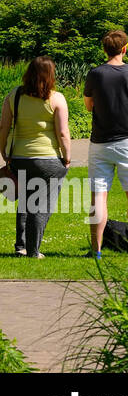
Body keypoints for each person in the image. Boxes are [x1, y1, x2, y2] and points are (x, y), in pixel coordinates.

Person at [83, 30, 128, 259]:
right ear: (125, 48)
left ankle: (97, 250)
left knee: (99, 196)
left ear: (105, 49)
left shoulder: (96, 74)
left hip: (101, 142)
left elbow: (88, 105)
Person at [0, 57, 72, 258]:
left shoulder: (14, 95)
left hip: (19, 157)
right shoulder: (57, 99)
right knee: (41, 206)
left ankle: (21, 246)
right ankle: (33, 251)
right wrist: (67, 158)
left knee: (24, 202)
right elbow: (63, 133)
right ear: (51, 75)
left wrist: (3, 152)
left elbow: (4, 126)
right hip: (47, 159)